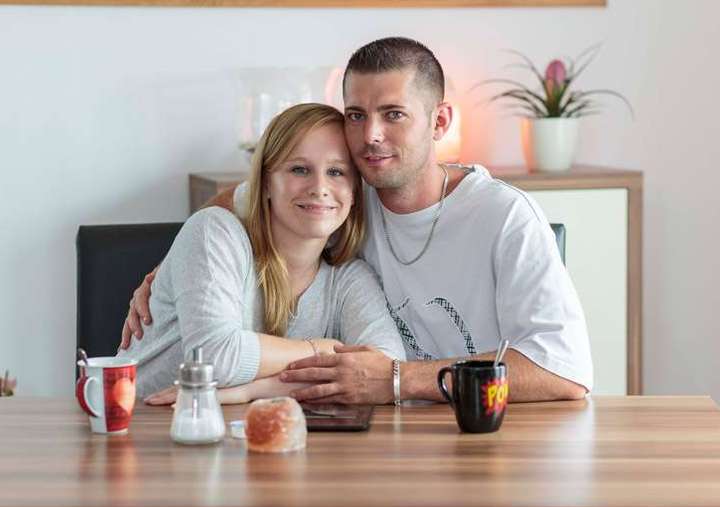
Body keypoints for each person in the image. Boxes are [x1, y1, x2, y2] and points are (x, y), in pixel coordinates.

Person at [121, 37, 592, 405]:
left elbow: (564, 370)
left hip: (485, 431)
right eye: (356, 115)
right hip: (387, 433)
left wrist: (395, 379)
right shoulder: (347, 191)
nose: (371, 135)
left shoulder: (504, 216)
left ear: (440, 122)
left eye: (394, 114)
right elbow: (241, 197)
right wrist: (172, 269)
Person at [117, 102, 404, 404]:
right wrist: (321, 349)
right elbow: (213, 358)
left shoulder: (348, 278)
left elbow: (383, 370)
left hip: (237, 426)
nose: (320, 187)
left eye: (336, 172)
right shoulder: (214, 232)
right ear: (266, 183)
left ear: (355, 192)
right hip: (138, 423)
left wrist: (250, 391)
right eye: (299, 169)